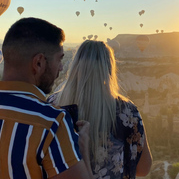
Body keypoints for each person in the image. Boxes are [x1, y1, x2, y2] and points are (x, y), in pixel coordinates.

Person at [0, 18, 92, 179]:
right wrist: (83, 152)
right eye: (60, 59)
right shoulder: (51, 123)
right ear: (38, 63)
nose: (62, 67)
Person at [51, 40, 152, 179]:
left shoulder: (51, 105)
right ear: (109, 69)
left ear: (74, 67)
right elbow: (143, 169)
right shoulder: (127, 112)